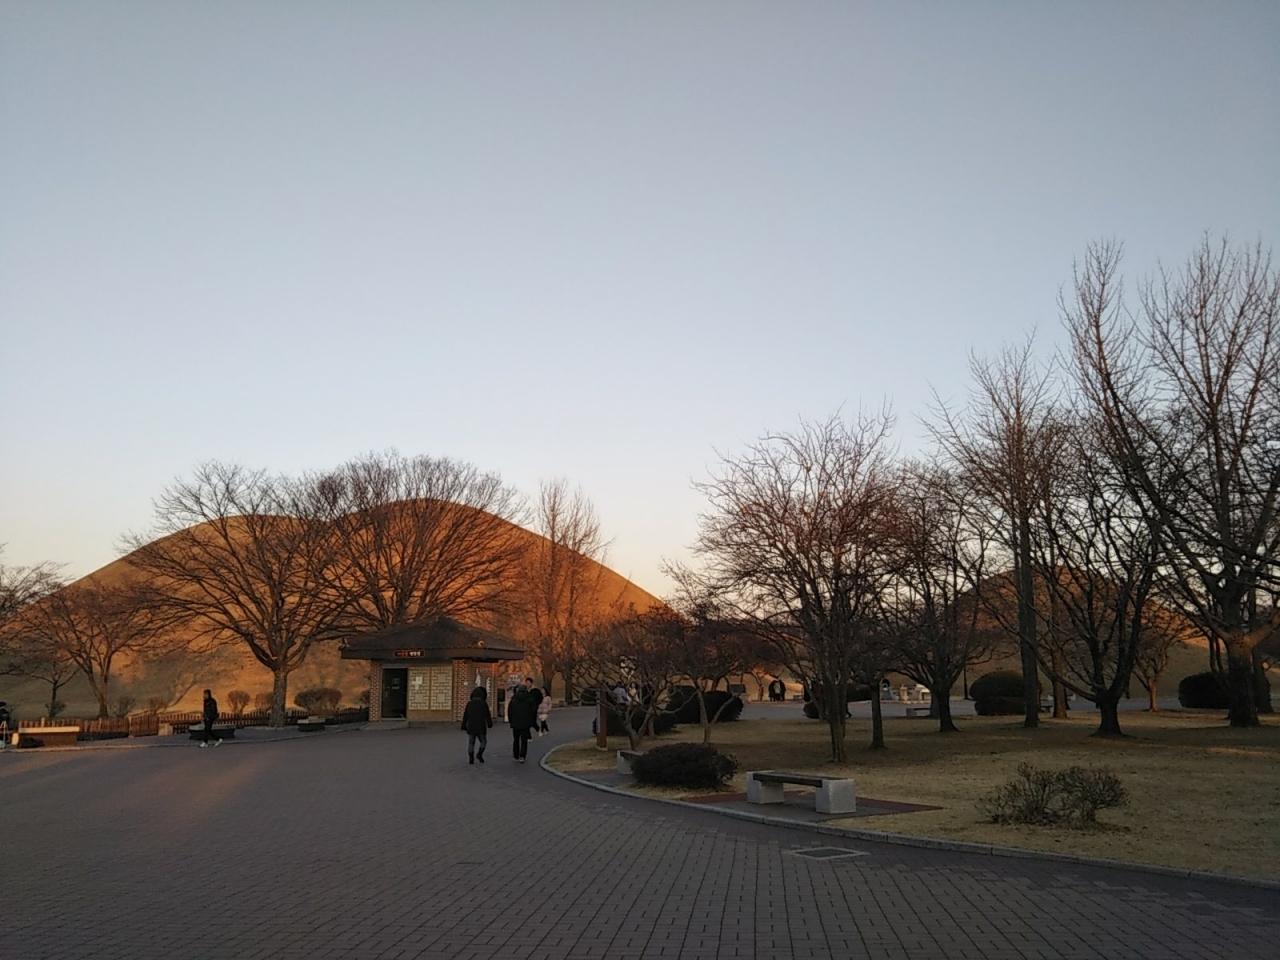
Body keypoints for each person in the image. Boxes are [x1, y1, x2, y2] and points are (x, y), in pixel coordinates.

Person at [460, 686, 493, 764]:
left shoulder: (469, 703)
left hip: (471, 726)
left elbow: (465, 715)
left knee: (471, 742)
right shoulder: (484, 704)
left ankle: (471, 758)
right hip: (481, 726)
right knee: (483, 741)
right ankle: (479, 754)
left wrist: (463, 725)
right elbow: (487, 715)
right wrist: (489, 724)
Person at [507, 684, 536, 763]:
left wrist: (511, 721)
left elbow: (510, 711)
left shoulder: (514, 699)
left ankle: (516, 754)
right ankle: (522, 756)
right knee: (524, 740)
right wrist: (531, 721)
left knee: (516, 739)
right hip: (525, 723)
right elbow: (533, 711)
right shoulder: (529, 699)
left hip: (515, 723)